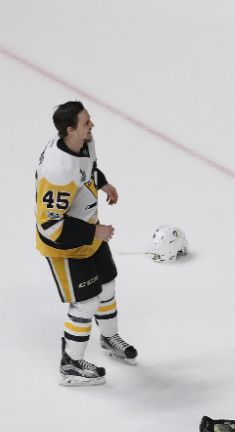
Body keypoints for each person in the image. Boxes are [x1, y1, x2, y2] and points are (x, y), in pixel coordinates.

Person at [36, 101, 137, 386]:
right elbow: (51, 226)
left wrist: (103, 184)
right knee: (85, 302)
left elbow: (89, 169)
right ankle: (70, 365)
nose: (92, 126)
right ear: (70, 130)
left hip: (90, 231)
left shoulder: (83, 142)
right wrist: (95, 232)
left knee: (107, 286)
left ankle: (108, 337)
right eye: (86, 123)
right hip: (64, 245)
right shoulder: (57, 172)